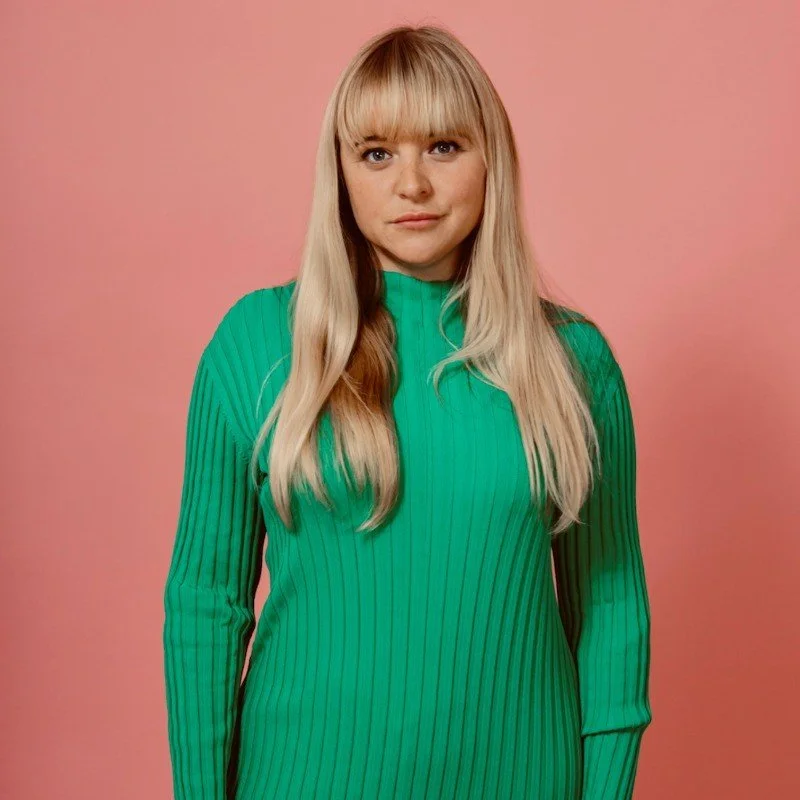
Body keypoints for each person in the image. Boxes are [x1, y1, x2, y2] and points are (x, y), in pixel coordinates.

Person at [162, 23, 653, 800]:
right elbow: (206, 605)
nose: (412, 185)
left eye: (445, 147)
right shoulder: (256, 346)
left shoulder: (572, 362)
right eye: (377, 153)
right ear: (341, 173)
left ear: (492, 159)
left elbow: (612, 604)